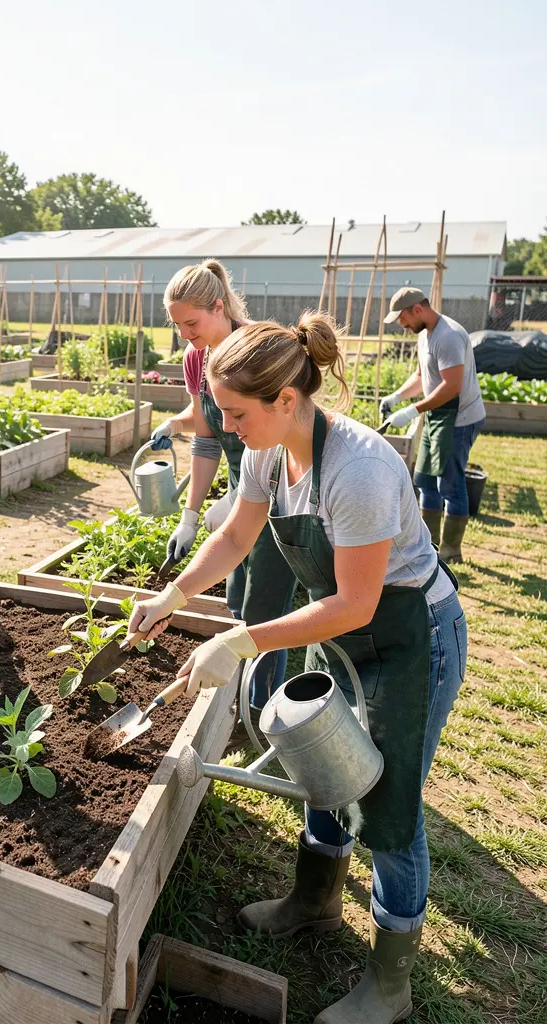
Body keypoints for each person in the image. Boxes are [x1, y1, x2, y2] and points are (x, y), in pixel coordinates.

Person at [129, 311, 466, 1024]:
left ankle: (391, 980)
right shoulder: (267, 450)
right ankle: (315, 901)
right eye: (221, 410)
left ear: (288, 399)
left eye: (238, 412)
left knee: (389, 800)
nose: (228, 425)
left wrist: (242, 639)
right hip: (341, 631)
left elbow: (355, 600)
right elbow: (236, 533)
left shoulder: (360, 469)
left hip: (409, 638)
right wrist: (176, 592)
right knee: (318, 759)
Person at [148, 260, 297, 709]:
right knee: (236, 597)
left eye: (191, 322)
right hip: (243, 488)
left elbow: (289, 431)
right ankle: (231, 701)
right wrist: (191, 516)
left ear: (218, 306)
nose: (185, 334)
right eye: (177, 325)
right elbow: (208, 439)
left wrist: (238, 497)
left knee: (265, 606)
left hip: (280, 492)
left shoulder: (257, 350)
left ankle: (262, 709)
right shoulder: (197, 358)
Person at [380, 286, 486, 563]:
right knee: (425, 480)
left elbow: (451, 387)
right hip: (438, 416)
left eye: (402, 318)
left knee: (450, 483)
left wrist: (411, 411)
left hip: (460, 419)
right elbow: (422, 375)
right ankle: (431, 547)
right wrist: (397, 397)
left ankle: (451, 552)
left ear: (418, 309)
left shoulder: (449, 336)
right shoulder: (424, 334)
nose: (401, 325)